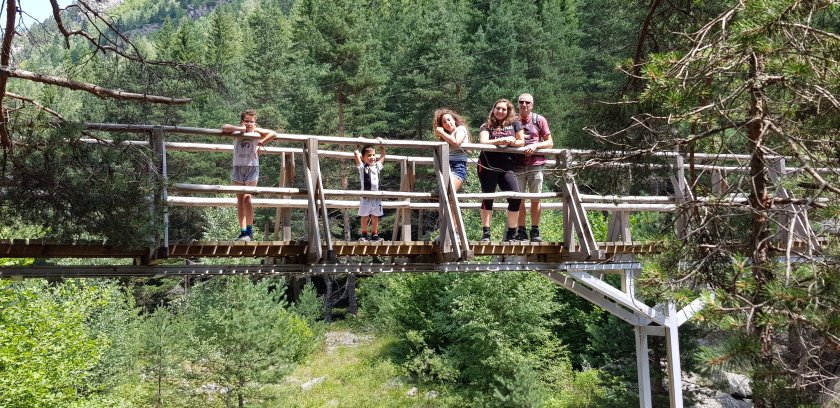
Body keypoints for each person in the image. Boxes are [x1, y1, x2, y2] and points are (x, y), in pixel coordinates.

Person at [221, 109, 277, 241]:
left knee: (247, 198)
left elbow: (273, 134)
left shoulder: (256, 132)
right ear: (242, 121)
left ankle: (250, 232)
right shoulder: (236, 132)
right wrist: (241, 129)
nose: (249, 124)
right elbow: (224, 127)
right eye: (246, 121)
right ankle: (243, 232)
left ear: (255, 123)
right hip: (238, 167)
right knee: (240, 200)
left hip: (252, 167)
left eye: (252, 122)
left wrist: (261, 142)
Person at [477, 98, 525, 242]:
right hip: (487, 164)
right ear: (493, 109)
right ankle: (486, 233)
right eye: (498, 108)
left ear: (508, 111)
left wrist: (511, 141)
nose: (500, 111)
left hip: (507, 164)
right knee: (488, 197)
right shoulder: (486, 125)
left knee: (515, 197)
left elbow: (521, 141)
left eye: (504, 109)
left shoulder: (515, 124)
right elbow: (483, 142)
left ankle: (512, 233)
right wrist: (499, 141)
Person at [513, 93, 553, 242]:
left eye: (527, 102)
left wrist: (536, 145)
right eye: (521, 102)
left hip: (536, 165)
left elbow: (550, 142)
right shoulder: (513, 121)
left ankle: (535, 231)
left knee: (536, 198)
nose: (524, 105)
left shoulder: (539, 120)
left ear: (532, 105)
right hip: (516, 165)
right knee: (519, 199)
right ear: (518, 104)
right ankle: (521, 230)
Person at [354, 141, 386, 242]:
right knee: (364, 216)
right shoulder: (362, 167)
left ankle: (374, 234)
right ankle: (364, 234)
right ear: (363, 158)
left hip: (376, 196)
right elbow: (356, 154)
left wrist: (382, 146)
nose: (372, 157)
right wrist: (357, 146)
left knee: (375, 216)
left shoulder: (377, 166)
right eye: (369, 155)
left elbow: (382, 156)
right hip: (366, 197)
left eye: (373, 155)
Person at [433, 108, 470, 191]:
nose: (447, 123)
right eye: (444, 122)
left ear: (454, 120)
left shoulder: (460, 129)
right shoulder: (446, 136)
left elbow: (456, 142)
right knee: (442, 194)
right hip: (445, 166)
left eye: (449, 120)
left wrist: (441, 133)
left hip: (458, 166)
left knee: (449, 192)